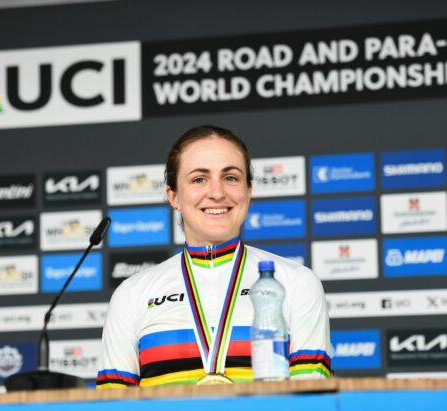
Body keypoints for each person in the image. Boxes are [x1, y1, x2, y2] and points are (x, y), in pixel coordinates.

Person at [96, 125, 331, 388]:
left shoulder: (296, 282)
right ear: (173, 196)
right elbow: (113, 405)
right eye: (199, 179)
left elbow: (311, 402)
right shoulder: (132, 294)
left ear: (248, 191)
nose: (217, 193)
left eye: (231, 177)